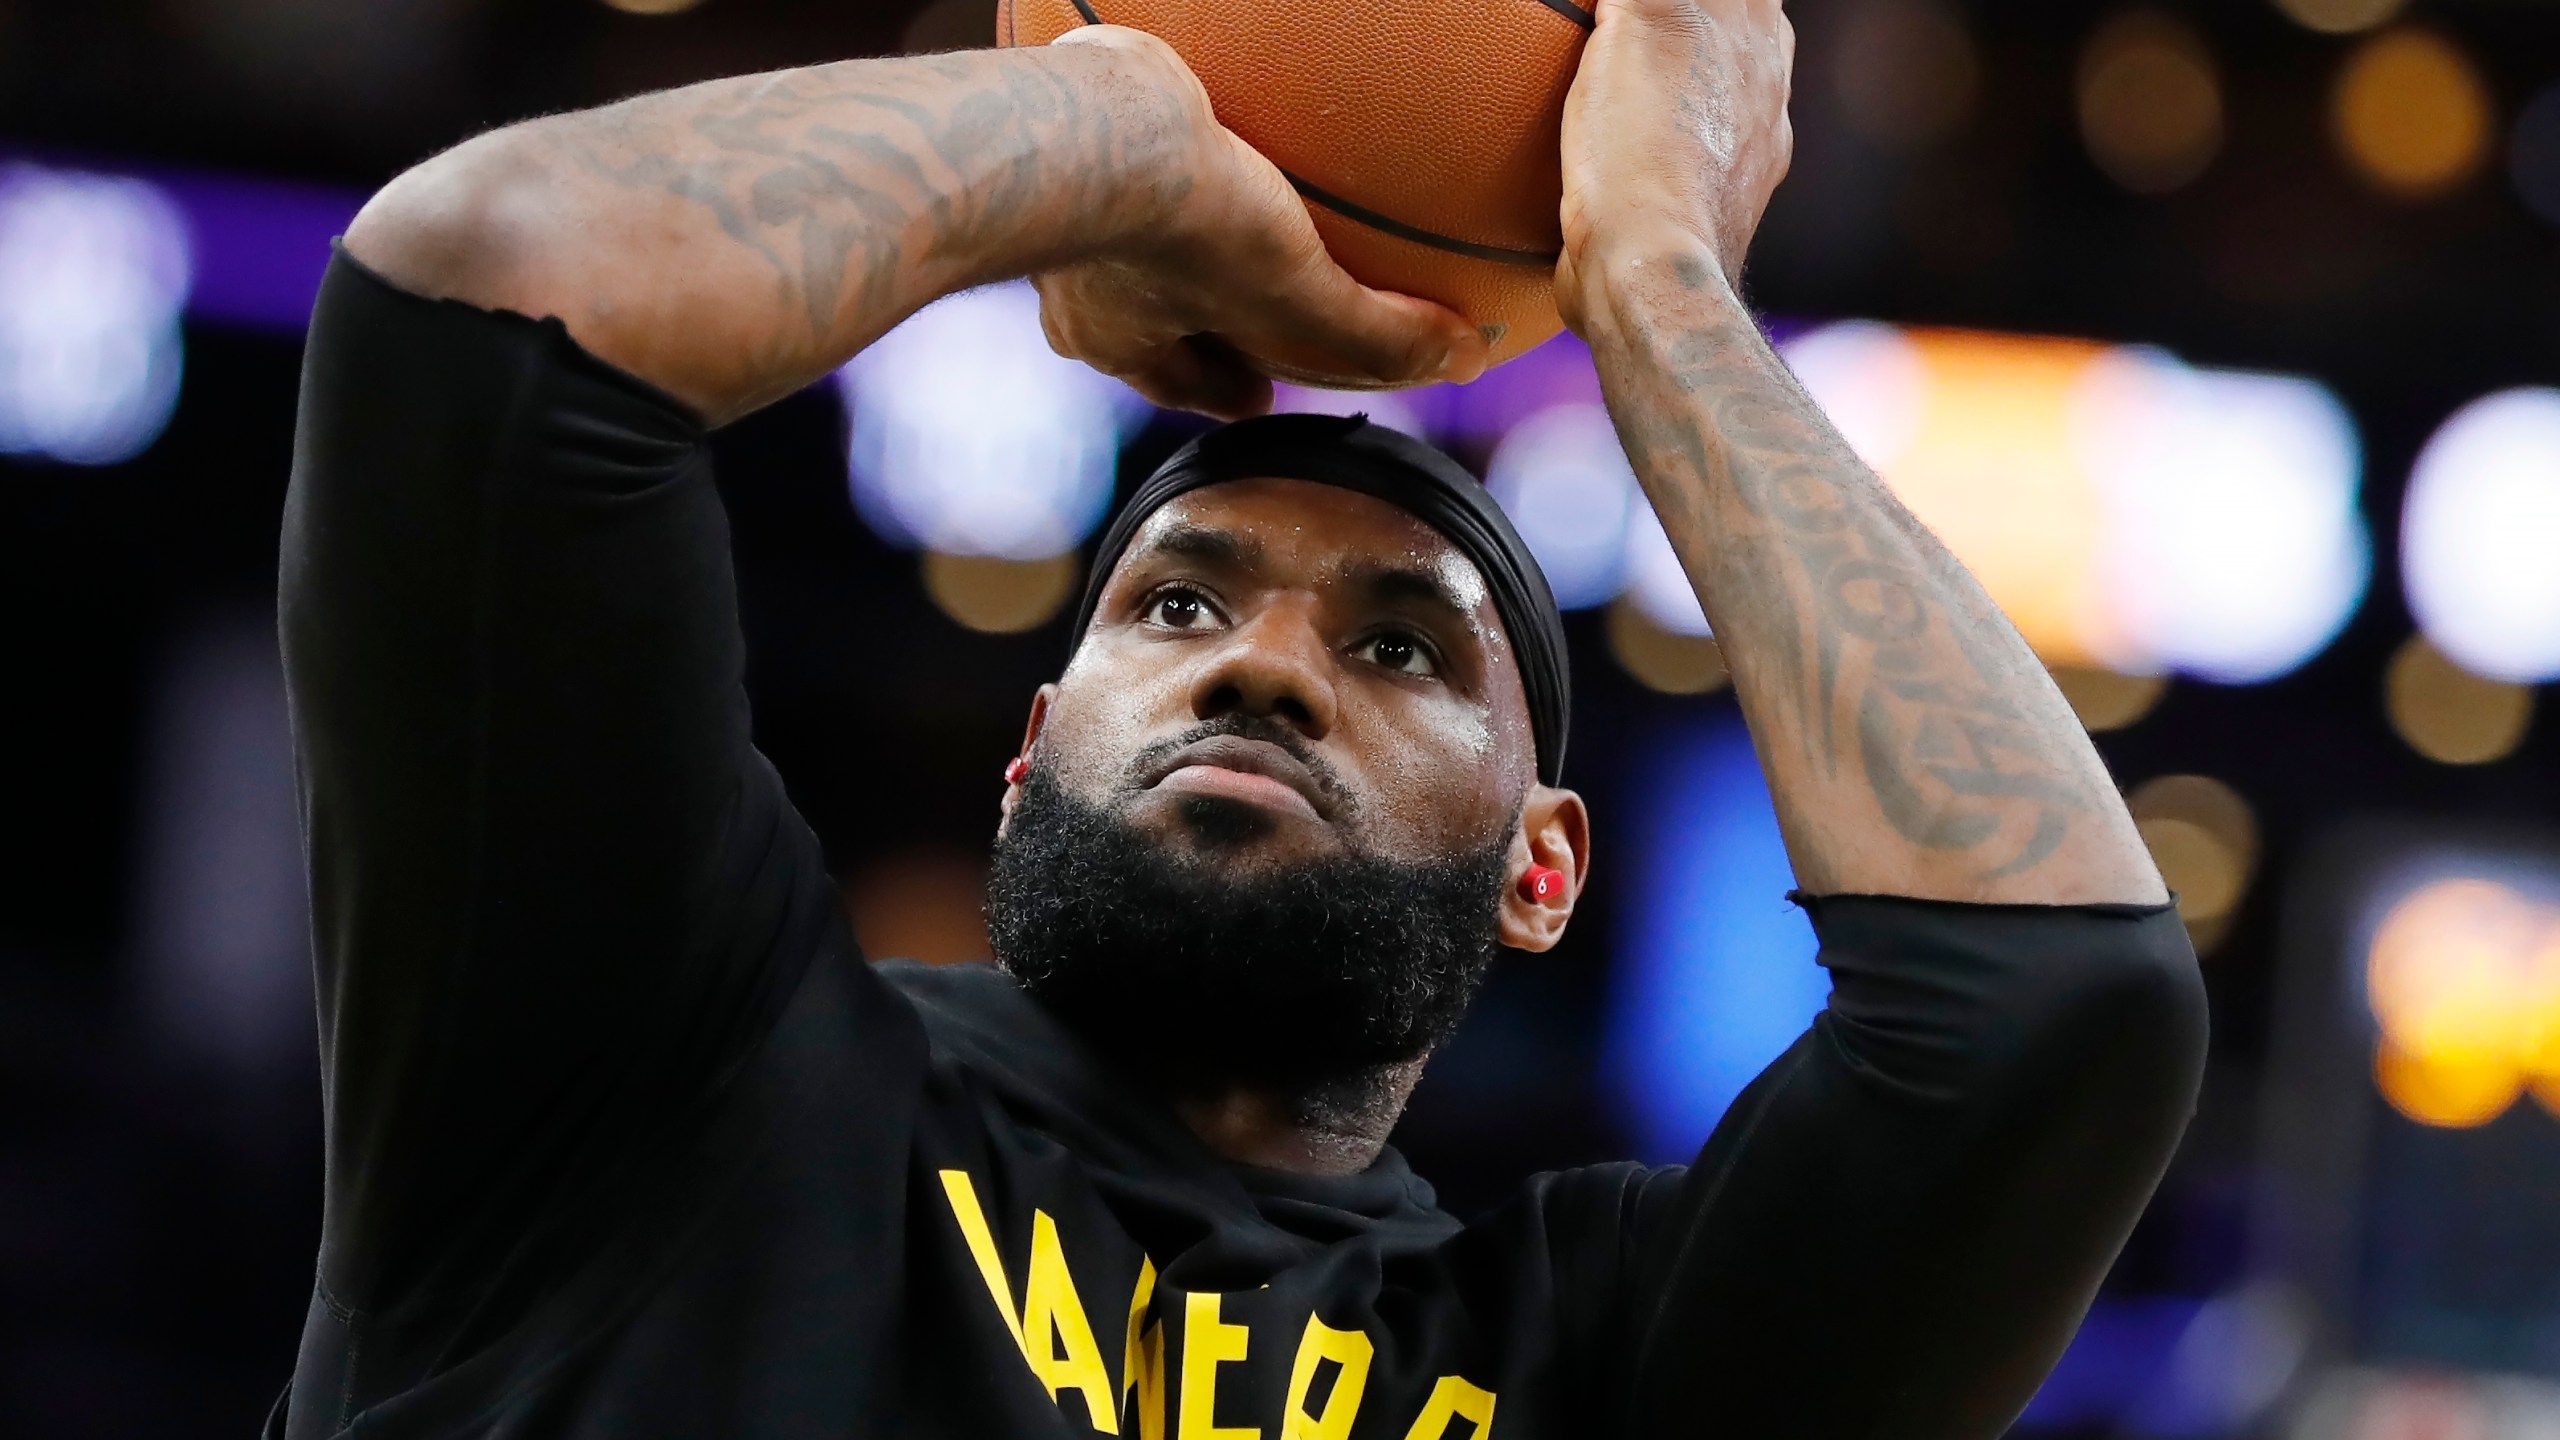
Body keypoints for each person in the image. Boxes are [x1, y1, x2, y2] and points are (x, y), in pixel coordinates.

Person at [272, 0, 2207, 1434]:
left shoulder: (1583, 1358)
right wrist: (1117, 120)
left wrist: (1657, 283)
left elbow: (2064, 1018)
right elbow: (489, 296)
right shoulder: (663, 1065)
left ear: (1544, 868)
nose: (1261, 662)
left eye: (1403, 650)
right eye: (1177, 600)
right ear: (1033, 748)